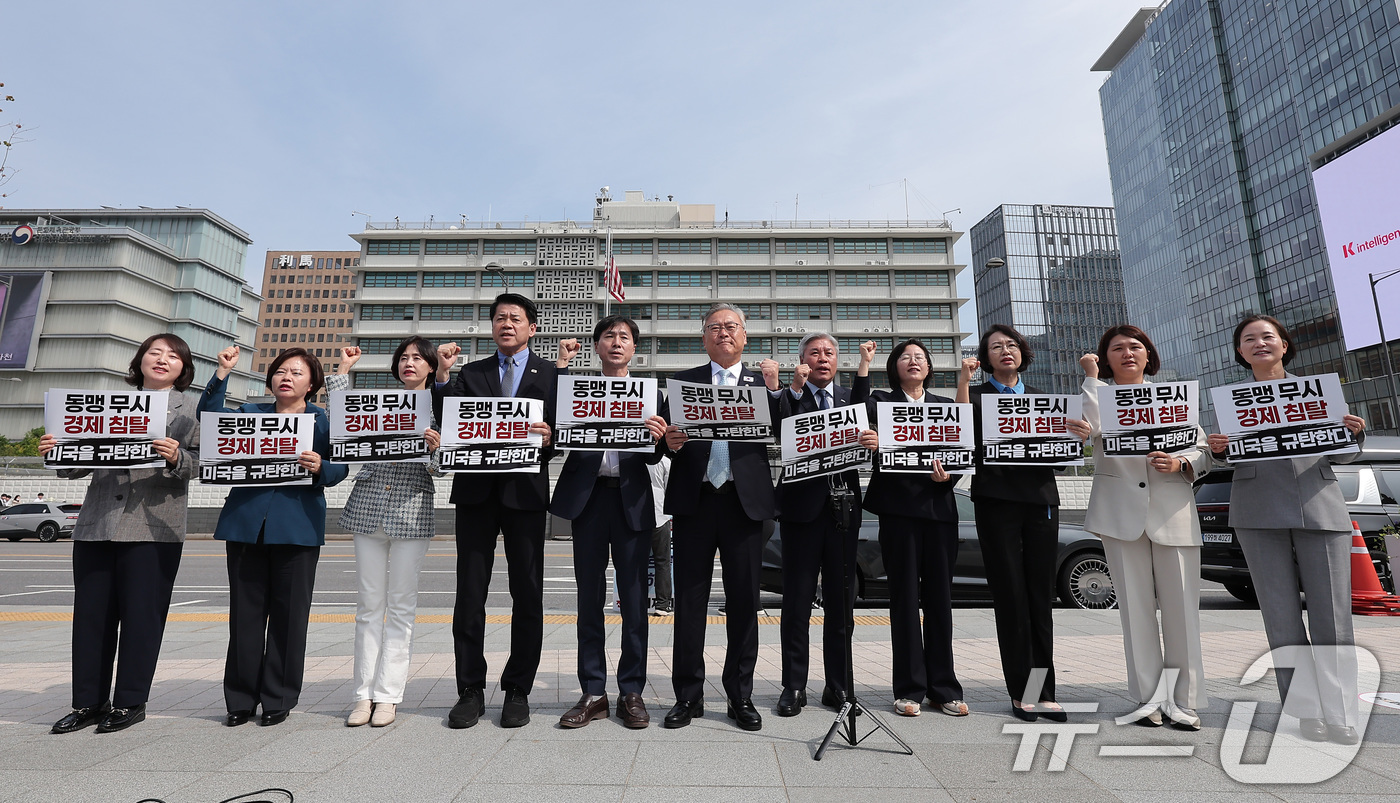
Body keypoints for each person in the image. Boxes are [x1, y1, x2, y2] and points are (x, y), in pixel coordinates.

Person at [1206, 314, 1367, 745]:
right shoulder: (1229, 401)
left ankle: (1341, 714)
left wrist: (1353, 434)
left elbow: (1343, 457)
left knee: (1333, 618)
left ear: (1284, 345)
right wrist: (1218, 451)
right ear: (1240, 352)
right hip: (1258, 512)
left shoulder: (1319, 394)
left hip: (1320, 507)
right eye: (1249, 339)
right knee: (1281, 618)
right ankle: (1305, 712)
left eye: (1267, 337)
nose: (1259, 343)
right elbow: (1222, 457)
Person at [43, 333, 200, 734]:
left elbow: (203, 465)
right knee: (92, 618)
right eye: (154, 353)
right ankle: (88, 703)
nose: (162, 360)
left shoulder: (192, 410)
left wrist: (177, 456)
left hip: (153, 526)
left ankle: (130, 701)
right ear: (140, 360)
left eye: (173, 356)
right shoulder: (105, 407)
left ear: (183, 368)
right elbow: (76, 464)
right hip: (98, 524)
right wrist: (56, 450)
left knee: (142, 619)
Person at [200, 345, 348, 728]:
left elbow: (341, 466)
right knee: (245, 618)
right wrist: (221, 375)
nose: (287, 377)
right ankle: (240, 699)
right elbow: (210, 421)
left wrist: (321, 467)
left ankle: (278, 697)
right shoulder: (250, 414)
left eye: (297, 373)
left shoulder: (322, 421)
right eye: (281, 371)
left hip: (297, 528)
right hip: (246, 525)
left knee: (289, 618)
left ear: (312, 383)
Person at [433, 292, 557, 729]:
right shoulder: (472, 372)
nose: (507, 324)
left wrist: (548, 439)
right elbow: (449, 418)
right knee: (470, 594)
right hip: (476, 496)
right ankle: (470, 688)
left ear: (532, 328)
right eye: (500, 318)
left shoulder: (551, 375)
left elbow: (563, 432)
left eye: (516, 318)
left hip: (525, 496)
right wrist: (444, 375)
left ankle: (518, 688)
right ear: (492, 327)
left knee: (527, 594)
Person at [1079, 325, 1211, 730]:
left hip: (1172, 510)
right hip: (1119, 515)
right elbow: (1089, 429)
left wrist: (1182, 463)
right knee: (1134, 611)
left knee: (1182, 610)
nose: (1127, 353)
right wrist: (1089, 377)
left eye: (1135, 347)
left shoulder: (1172, 397)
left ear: (1149, 355)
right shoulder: (1095, 396)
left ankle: (1183, 701)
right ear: (1105, 358)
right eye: (1116, 349)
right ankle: (1148, 699)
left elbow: (1203, 448)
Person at [956, 325, 1090, 722]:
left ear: (1023, 353)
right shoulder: (977, 396)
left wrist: (1076, 436)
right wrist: (964, 381)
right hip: (996, 503)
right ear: (985, 358)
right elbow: (959, 434)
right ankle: (1022, 693)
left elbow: (1061, 460)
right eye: (995, 347)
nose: (1005, 351)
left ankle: (1043, 692)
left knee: (1039, 597)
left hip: (1040, 504)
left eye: (1011, 345)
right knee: (1010, 597)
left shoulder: (1044, 401)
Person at [659, 303, 781, 731]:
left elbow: (787, 432)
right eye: (714, 327)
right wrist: (670, 442)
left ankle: (740, 695)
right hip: (695, 502)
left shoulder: (763, 383)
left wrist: (778, 390)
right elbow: (661, 444)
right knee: (689, 602)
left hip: (744, 504)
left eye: (731, 327)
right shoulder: (682, 384)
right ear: (703, 337)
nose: (723, 333)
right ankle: (687, 696)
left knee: (745, 602)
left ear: (745, 336)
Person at [549, 317, 669, 729]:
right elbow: (551, 425)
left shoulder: (652, 395)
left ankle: (632, 690)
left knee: (635, 601)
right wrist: (563, 366)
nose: (616, 343)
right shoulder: (577, 390)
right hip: (589, 499)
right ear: (597, 347)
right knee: (589, 600)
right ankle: (594, 691)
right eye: (608, 337)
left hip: (632, 501)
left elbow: (656, 456)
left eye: (624, 338)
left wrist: (657, 438)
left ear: (634, 348)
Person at [334, 339, 443, 728]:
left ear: (431, 367)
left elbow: (443, 469)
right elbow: (341, 418)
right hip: (367, 509)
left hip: (411, 512)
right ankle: (362, 695)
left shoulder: (439, 406)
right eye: (403, 358)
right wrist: (343, 372)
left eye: (417, 358)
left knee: (401, 607)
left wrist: (436, 450)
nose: (409, 363)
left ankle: (388, 696)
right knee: (368, 606)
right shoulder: (379, 402)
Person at [861, 338, 968, 718]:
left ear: (929, 368)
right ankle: (909, 688)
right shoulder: (881, 401)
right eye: (905, 357)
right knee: (903, 598)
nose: (913, 361)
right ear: (894, 367)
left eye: (920, 357)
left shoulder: (944, 407)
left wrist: (948, 476)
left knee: (940, 599)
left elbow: (961, 450)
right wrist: (863, 364)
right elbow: (857, 413)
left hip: (939, 510)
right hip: (898, 512)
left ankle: (945, 688)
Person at [770, 333, 876, 717]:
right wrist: (793, 390)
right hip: (800, 513)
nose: (822, 358)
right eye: (813, 353)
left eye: (829, 352)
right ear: (801, 361)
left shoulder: (853, 400)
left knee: (841, 605)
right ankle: (793, 686)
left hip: (843, 513)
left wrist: (871, 439)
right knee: (796, 604)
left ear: (837, 360)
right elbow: (778, 427)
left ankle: (839, 686)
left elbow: (875, 430)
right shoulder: (789, 397)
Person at [648, 456, 673, 615]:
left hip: (636, 516)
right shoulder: (664, 461)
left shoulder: (635, 458)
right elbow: (669, 488)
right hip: (660, 515)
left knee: (634, 564)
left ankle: (634, 601)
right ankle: (662, 604)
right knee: (662, 562)